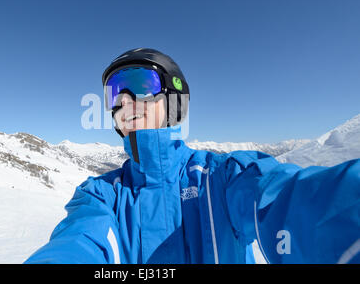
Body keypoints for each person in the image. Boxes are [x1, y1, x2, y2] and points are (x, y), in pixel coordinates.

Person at [25, 48, 360, 264]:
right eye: (114, 93)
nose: (124, 102)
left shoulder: (222, 177)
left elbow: (289, 200)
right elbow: (79, 243)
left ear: (173, 100)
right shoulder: (101, 195)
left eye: (139, 85)